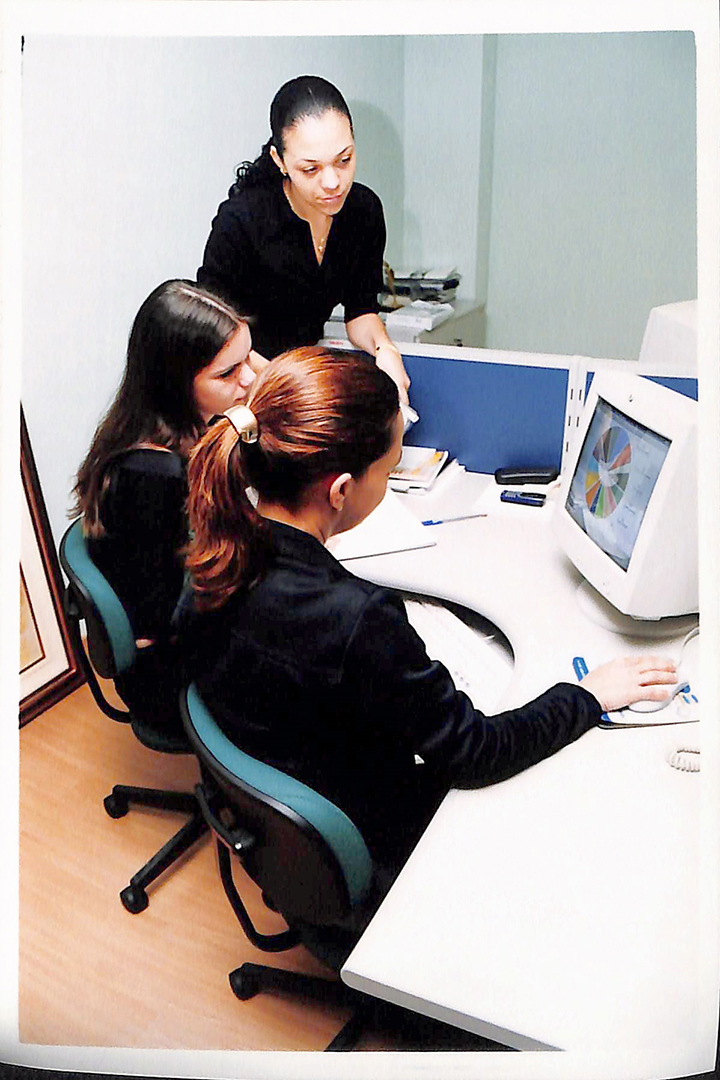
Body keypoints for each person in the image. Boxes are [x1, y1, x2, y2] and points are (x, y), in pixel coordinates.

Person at [177, 346, 677, 881]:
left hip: (292, 810)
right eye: (388, 469)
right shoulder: (359, 618)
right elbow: (475, 753)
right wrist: (588, 696)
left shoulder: (213, 555)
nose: (388, 483)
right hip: (377, 836)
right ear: (341, 490)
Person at [72, 278, 260, 723]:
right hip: (165, 672)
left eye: (248, 358)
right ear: (176, 382)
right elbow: (165, 618)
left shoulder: (170, 427)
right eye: (228, 373)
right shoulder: (152, 477)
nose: (250, 378)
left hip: (184, 624)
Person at [196, 74, 410, 402]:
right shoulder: (241, 222)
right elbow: (216, 334)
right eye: (311, 169)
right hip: (241, 389)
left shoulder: (363, 212)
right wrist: (289, 388)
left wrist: (385, 349)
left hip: (299, 381)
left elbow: (360, 311)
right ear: (279, 161)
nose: (332, 182)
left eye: (344, 160)